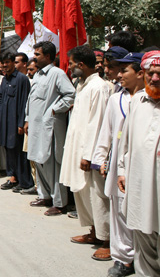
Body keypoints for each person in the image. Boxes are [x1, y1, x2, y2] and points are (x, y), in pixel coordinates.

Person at [91, 52, 144, 277]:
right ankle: (124, 258)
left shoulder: (148, 99)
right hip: (118, 164)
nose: (119, 75)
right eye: (118, 70)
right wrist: (101, 158)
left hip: (143, 163)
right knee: (120, 210)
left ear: (140, 74)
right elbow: (108, 132)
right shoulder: (116, 99)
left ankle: (144, 257)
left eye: (124, 71)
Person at [60, 46, 111, 257]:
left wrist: (89, 155)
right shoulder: (82, 85)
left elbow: (97, 123)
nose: (70, 67)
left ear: (81, 65)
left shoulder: (99, 87)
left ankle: (107, 239)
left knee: (96, 195)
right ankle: (93, 231)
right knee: (82, 193)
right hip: (77, 147)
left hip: (89, 152)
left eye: (71, 64)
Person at [116, 51, 160, 277]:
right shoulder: (137, 102)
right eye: (151, 73)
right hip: (140, 185)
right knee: (143, 239)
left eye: (159, 74)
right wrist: (122, 170)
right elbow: (126, 142)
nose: (155, 78)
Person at [25, 41, 75, 214]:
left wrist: (54, 109)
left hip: (50, 127)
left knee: (52, 163)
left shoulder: (57, 74)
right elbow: (32, 99)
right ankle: (45, 195)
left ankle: (59, 203)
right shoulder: (37, 75)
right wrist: (27, 118)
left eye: (37, 54)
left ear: (47, 56)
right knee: (38, 161)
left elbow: (70, 95)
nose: (34, 57)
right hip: (35, 126)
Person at [0, 52, 34, 194]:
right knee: (9, 149)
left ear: (13, 62)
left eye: (7, 62)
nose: (5, 65)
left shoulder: (21, 79)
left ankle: (24, 181)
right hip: (5, 121)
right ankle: (13, 177)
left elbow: (24, 103)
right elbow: (0, 100)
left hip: (16, 122)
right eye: (2, 63)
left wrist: (21, 123)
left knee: (19, 152)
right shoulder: (5, 79)